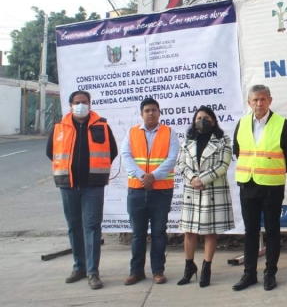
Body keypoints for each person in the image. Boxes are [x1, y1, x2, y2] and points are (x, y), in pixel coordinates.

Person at [47, 91, 118, 290]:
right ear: (70, 105)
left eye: (84, 102)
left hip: (92, 187)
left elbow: (112, 151)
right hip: (68, 186)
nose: (81, 105)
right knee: (74, 226)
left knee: (92, 227)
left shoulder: (101, 126)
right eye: (77, 102)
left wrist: (96, 172)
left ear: (90, 103)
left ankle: (93, 272)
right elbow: (50, 152)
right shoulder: (59, 127)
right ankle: (79, 267)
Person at [231, 85, 287, 292]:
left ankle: (270, 273)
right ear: (249, 102)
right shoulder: (241, 124)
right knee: (250, 231)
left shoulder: (283, 125)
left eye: (262, 99)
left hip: (271, 187)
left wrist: (269, 169)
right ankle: (249, 274)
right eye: (255, 100)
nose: (259, 104)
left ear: (270, 100)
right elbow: (237, 150)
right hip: (248, 185)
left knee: (272, 231)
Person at [121, 98, 179, 285]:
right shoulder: (131, 133)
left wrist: (153, 176)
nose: (151, 113)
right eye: (147, 110)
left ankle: (158, 271)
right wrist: (141, 176)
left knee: (159, 233)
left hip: (160, 192)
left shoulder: (169, 132)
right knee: (137, 234)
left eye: (154, 110)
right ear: (141, 114)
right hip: (137, 191)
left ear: (159, 112)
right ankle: (136, 272)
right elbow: (126, 156)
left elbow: (172, 158)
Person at [176, 105, 235, 287]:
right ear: (194, 121)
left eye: (207, 117)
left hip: (212, 190)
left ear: (214, 121)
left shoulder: (223, 140)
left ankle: (206, 268)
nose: (202, 120)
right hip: (192, 191)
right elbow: (181, 163)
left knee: (210, 232)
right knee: (189, 231)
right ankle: (188, 267)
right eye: (199, 117)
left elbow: (223, 165)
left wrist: (203, 179)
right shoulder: (188, 140)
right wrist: (193, 179)